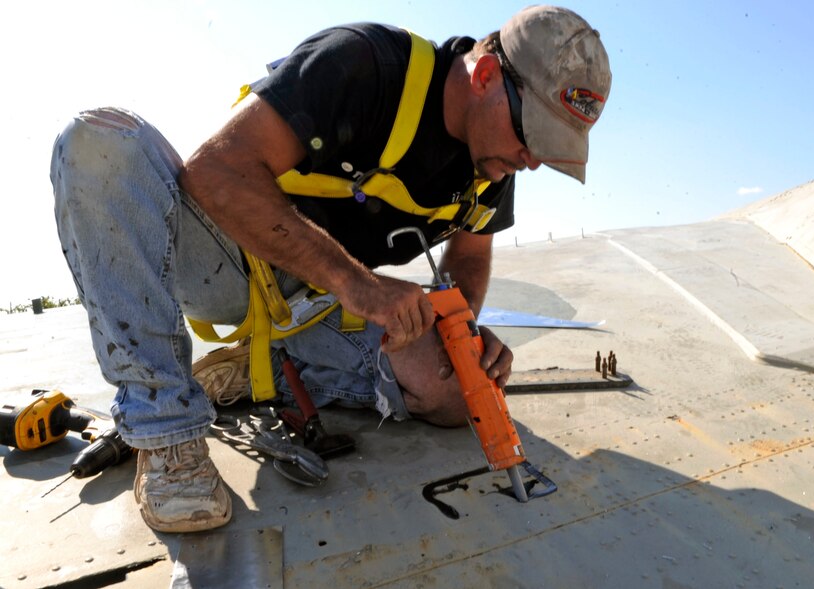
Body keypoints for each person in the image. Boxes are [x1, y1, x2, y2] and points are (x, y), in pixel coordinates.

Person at [49, 5, 611, 533]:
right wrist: (357, 283)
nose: (532, 159)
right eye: (532, 134)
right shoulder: (363, 63)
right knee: (99, 138)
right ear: (487, 74)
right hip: (228, 262)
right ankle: (164, 430)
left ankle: (265, 364)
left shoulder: (494, 161)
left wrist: (461, 338)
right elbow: (216, 171)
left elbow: (469, 256)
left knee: (453, 393)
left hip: (319, 300)